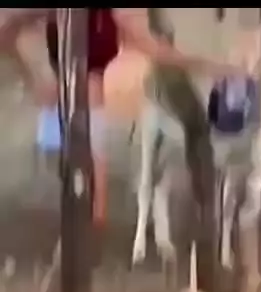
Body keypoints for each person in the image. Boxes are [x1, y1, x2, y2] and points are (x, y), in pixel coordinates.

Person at [0, 8, 241, 226]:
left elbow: (160, 52)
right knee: (72, 206)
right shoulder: (62, 13)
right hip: (62, 115)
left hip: (91, 116)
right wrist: (33, 79)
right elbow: (6, 32)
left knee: (93, 212)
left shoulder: (111, 19)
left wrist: (213, 67)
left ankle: (70, 249)